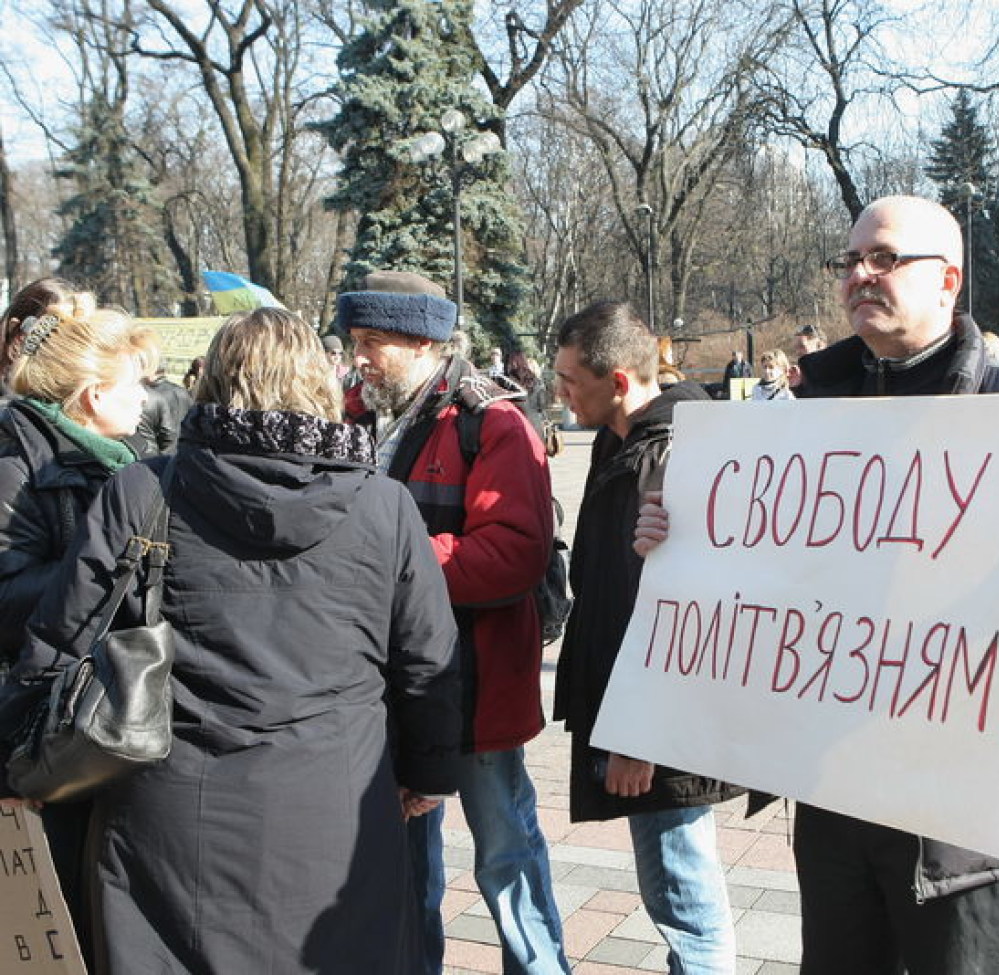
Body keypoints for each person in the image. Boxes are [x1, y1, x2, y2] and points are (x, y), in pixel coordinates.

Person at [634, 195, 999, 974]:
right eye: (851, 260)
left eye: (886, 259)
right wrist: (678, 543)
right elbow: (769, 577)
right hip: (834, 790)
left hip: (963, 816)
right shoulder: (803, 412)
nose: (860, 274)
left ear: (948, 280)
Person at [2, 307, 462, 973]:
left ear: (212, 382)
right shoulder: (381, 504)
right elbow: (427, 661)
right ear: (317, 384)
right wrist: (428, 773)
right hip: (333, 809)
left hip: (170, 819)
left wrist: (12, 756)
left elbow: (61, 634)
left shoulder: (144, 488)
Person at [337, 270, 570, 975]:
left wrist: (390, 564)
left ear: (422, 340)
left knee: (505, 851)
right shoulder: (353, 414)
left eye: (374, 342)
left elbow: (512, 556)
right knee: (403, 861)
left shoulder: (493, 422)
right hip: (382, 690)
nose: (360, 358)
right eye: (356, 342)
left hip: (472, 687)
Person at [551, 301, 741, 973]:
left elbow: (677, 612)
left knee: (685, 899)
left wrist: (642, 734)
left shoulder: (668, 454)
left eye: (572, 380)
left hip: (662, 727)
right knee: (676, 886)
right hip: (639, 710)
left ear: (620, 380)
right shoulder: (624, 438)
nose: (561, 392)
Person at [0, 295, 153, 962]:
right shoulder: (17, 461)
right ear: (93, 394)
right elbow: (5, 591)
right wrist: (104, 566)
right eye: (137, 382)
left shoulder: (119, 458)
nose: (148, 397)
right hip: (46, 718)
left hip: (101, 707)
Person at [135, 361, 194, 456]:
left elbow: (166, 433)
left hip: (157, 453)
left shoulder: (151, 396)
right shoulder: (183, 392)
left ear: (150, 371)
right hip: (182, 449)